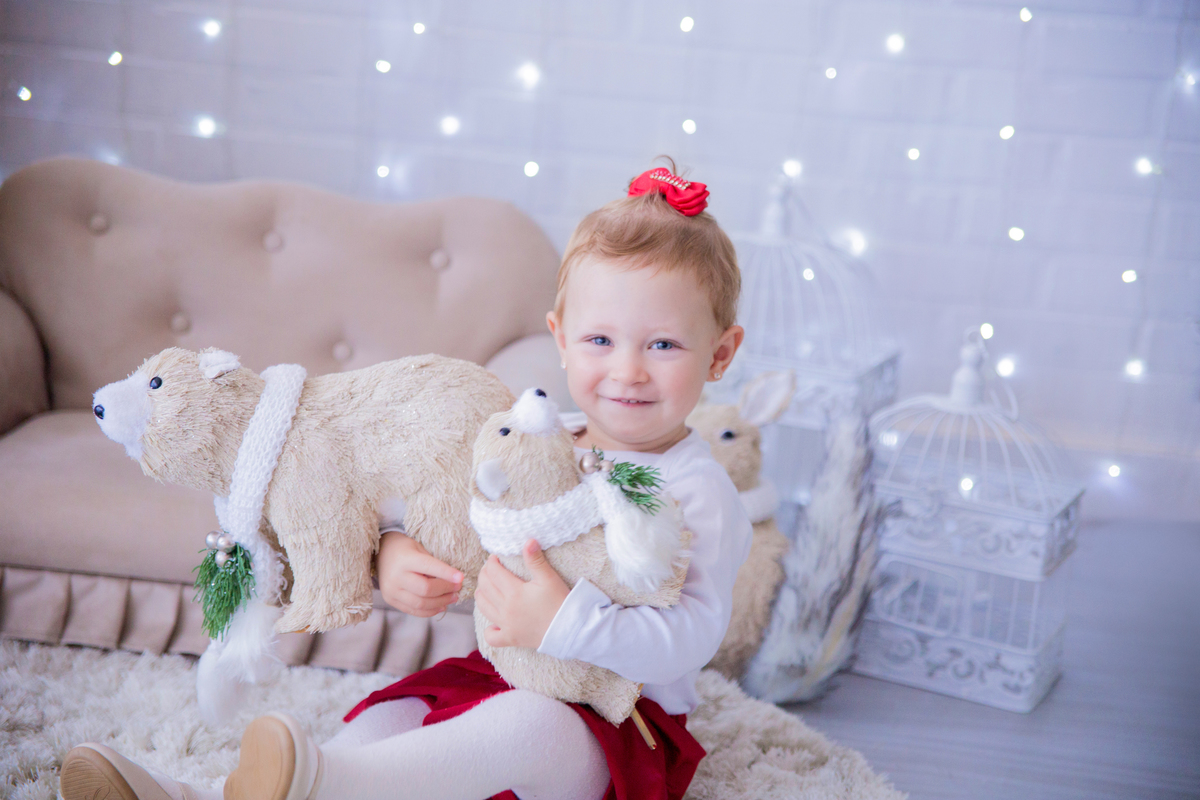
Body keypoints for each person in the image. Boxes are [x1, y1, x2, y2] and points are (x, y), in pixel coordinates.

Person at [60, 161, 753, 800]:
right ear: (561, 338)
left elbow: (692, 634)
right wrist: (392, 553)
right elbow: (457, 518)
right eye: (602, 340)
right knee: (393, 716)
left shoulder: (698, 490)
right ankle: (215, 793)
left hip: (619, 713)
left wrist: (564, 622)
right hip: (502, 667)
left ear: (720, 354)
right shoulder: (529, 437)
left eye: (663, 344)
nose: (629, 369)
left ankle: (319, 783)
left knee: (525, 728)